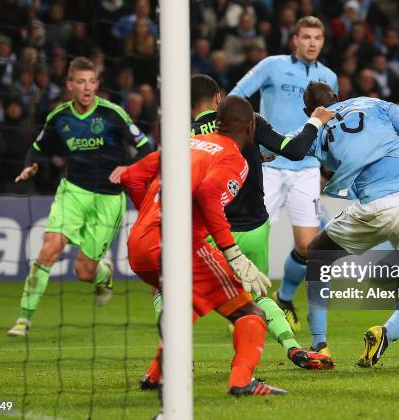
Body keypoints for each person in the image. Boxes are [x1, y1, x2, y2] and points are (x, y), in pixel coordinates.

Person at [139, 75, 335, 391]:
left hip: (209, 232)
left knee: (167, 290)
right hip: (254, 227)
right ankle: (290, 346)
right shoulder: (249, 122)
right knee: (252, 296)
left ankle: (176, 360)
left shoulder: (184, 135)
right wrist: (314, 119)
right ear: (219, 99)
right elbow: (296, 150)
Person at [114, 96, 286, 396]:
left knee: (186, 307)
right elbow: (208, 195)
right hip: (180, 246)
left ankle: (156, 375)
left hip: (139, 245)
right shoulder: (235, 159)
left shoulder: (187, 143)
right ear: (250, 127)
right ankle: (242, 381)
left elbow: (131, 176)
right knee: (250, 313)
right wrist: (232, 253)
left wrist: (151, 219)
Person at [300, 81, 399, 367]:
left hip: (378, 206)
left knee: (318, 255)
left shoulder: (315, 130)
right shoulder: (375, 104)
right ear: (337, 96)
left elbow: (282, 149)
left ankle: (319, 345)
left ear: (306, 111)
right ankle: (385, 332)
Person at [6, 57, 153, 336]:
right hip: (73, 192)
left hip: (108, 199)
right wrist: (31, 164)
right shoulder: (59, 117)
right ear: (70, 86)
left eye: (92, 81)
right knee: (49, 247)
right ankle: (23, 319)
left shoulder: (113, 114)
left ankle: (103, 275)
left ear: (97, 84)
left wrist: (130, 168)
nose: (88, 87)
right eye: (81, 82)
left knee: (83, 271)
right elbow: (37, 148)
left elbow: (147, 149)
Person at [230, 16, 338, 357]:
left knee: (309, 247)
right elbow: (235, 98)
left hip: (307, 168)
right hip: (270, 166)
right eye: (305, 36)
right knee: (253, 234)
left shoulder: (330, 77)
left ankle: (285, 298)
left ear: (322, 42)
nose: (311, 42)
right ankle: (240, 305)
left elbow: (329, 122)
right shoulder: (271, 66)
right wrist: (250, 139)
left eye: (317, 37)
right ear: (294, 40)